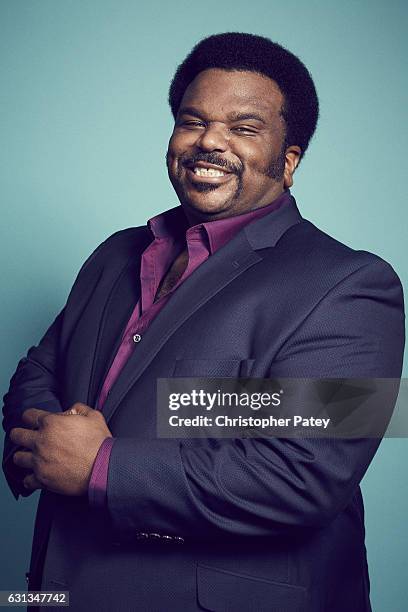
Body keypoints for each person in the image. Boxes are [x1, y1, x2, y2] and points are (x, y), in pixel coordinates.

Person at [2, 32, 404, 612]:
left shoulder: (354, 285)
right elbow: (39, 369)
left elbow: (304, 475)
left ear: (288, 161)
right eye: (193, 121)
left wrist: (102, 467)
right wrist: (45, 444)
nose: (209, 141)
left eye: (243, 128)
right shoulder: (115, 254)